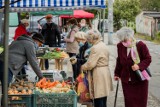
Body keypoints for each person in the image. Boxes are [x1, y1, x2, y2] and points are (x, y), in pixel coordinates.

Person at [114, 27, 152, 107]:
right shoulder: (120, 46)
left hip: (140, 79)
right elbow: (119, 60)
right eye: (121, 40)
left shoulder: (140, 45)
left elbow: (148, 59)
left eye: (124, 40)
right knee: (129, 102)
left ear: (130, 37)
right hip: (126, 81)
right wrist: (117, 73)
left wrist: (139, 66)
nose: (123, 42)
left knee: (140, 102)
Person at [81, 29, 113, 107]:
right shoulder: (102, 44)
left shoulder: (95, 47)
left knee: (98, 97)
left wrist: (83, 67)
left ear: (91, 39)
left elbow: (91, 64)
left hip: (98, 73)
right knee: (103, 96)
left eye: (89, 39)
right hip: (104, 71)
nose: (89, 41)